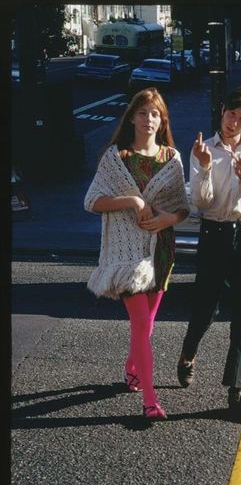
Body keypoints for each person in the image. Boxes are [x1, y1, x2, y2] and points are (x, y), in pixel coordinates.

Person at [84, 87, 190, 421]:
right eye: (143, 113)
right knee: (140, 323)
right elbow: (92, 201)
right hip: (126, 256)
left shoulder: (171, 159)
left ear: (163, 120)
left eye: (155, 114)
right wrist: (134, 201)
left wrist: (168, 218)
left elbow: (182, 208)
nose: (149, 119)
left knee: (146, 326)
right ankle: (149, 399)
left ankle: (132, 368)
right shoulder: (116, 158)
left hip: (161, 251)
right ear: (132, 117)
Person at [177, 86, 241, 421]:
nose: (236, 123)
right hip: (214, 234)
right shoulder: (204, 149)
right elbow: (200, 203)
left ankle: (236, 392)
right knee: (206, 308)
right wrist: (203, 167)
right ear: (222, 112)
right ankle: (188, 353)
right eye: (232, 115)